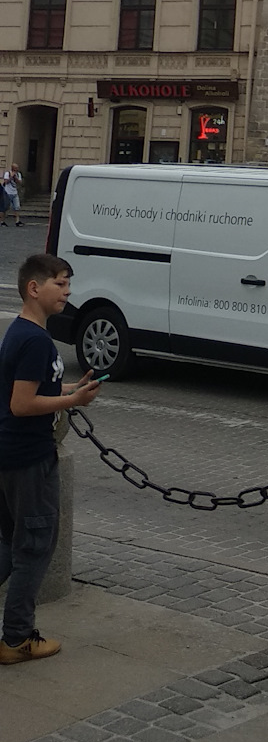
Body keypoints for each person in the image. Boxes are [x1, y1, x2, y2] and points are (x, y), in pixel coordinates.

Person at [0, 254, 100, 665]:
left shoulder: (22, 333)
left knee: (8, 543)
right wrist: (72, 399)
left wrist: (70, 385)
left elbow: (29, 385)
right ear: (34, 288)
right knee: (35, 548)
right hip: (28, 459)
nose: (68, 291)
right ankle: (16, 639)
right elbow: (22, 403)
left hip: (12, 456)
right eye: (60, 284)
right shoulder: (35, 340)